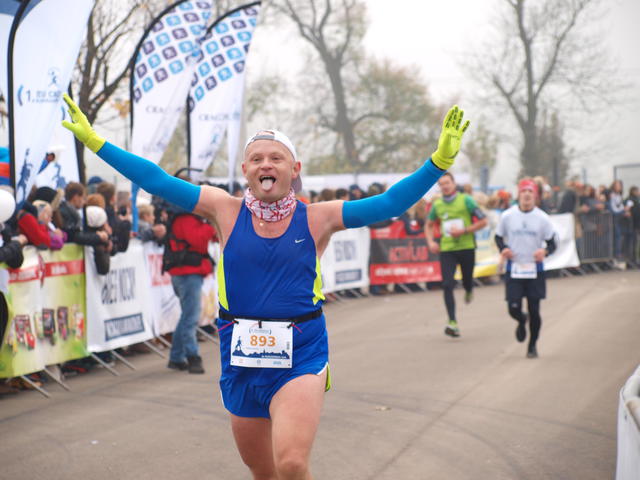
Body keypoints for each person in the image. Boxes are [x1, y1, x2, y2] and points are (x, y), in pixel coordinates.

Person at [62, 93, 469, 480]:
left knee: (290, 464)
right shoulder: (224, 209)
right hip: (240, 354)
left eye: (276, 158)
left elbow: (388, 204)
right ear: (245, 170)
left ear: (295, 168)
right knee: (263, 471)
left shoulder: (318, 217)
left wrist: (438, 162)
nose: (265, 164)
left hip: (301, 351)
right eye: (256, 158)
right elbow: (157, 180)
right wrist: (97, 143)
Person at [494, 179, 557, 358]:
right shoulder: (508, 216)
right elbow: (498, 237)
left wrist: (544, 251)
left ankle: (532, 345)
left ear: (535, 196)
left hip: (535, 270)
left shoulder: (542, 218)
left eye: (530, 192)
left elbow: (553, 243)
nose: (527, 195)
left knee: (534, 310)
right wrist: (503, 249)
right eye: (524, 191)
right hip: (514, 269)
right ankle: (521, 320)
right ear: (518, 195)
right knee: (513, 308)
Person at [424, 172, 488, 337]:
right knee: (447, 284)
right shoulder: (437, 204)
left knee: (467, 280)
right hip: (447, 249)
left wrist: (464, 230)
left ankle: (469, 289)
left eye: (447, 183)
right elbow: (429, 224)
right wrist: (431, 242)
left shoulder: (466, 200)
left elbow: (483, 221)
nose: (445, 186)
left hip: (466, 247)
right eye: (441, 184)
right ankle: (452, 322)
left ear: (453, 184)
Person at [162, 198, 217, 374]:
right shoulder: (186, 219)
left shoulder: (186, 218)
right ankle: (193, 356)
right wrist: (210, 225)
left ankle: (176, 357)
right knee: (191, 317)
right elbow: (198, 240)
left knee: (187, 316)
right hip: (187, 274)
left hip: (187, 273)